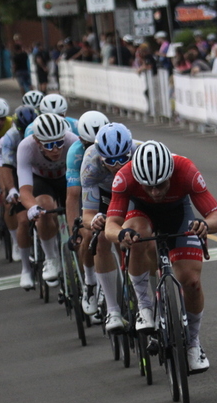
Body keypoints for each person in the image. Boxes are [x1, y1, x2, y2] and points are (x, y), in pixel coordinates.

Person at [104, 141, 217, 372]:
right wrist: (122, 234)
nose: (155, 192)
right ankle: (145, 306)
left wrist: (204, 225)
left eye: (161, 185)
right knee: (137, 234)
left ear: (171, 173)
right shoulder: (124, 176)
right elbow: (111, 225)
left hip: (178, 213)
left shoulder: (186, 171)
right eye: (148, 186)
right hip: (140, 213)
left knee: (191, 281)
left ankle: (193, 343)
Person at [77, 122, 139, 329]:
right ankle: (112, 310)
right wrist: (95, 221)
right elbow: (87, 214)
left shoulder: (140, 152)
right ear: (100, 156)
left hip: (134, 192)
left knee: (140, 233)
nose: (117, 165)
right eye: (110, 161)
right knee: (100, 237)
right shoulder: (90, 163)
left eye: (123, 158)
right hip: (106, 196)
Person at [17, 114, 79, 283]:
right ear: (37, 141)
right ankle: (51, 258)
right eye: (49, 145)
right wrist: (32, 208)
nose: (56, 149)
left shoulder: (73, 141)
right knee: (43, 209)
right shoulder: (26, 147)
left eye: (59, 143)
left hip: (67, 177)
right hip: (41, 180)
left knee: (79, 215)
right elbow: (24, 190)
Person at [64, 111, 110, 313]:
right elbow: (73, 195)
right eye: (88, 145)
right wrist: (75, 229)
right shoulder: (75, 152)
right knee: (89, 235)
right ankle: (90, 283)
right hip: (90, 193)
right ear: (81, 140)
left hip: (112, 190)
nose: (94, 151)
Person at [0, 106, 38, 289]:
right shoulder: (8, 138)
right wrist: (12, 190)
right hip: (16, 171)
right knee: (23, 219)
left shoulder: (41, 132)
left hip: (37, 171)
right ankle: (26, 269)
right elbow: (5, 168)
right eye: (23, 129)